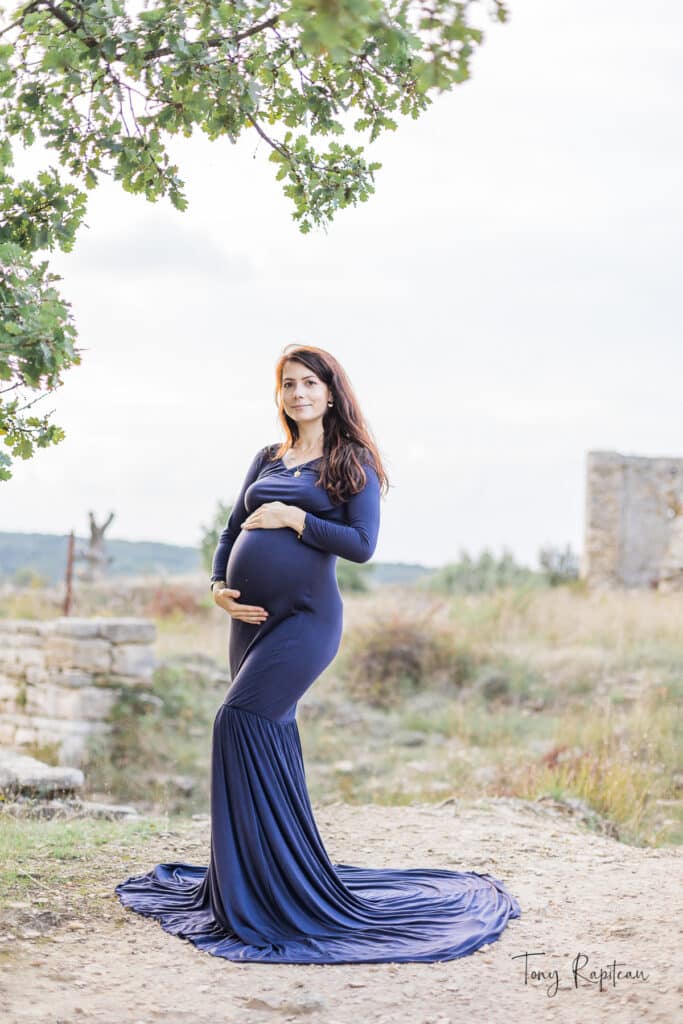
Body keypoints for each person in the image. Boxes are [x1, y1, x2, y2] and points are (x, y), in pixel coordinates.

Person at [115, 344, 521, 963]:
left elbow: (361, 544)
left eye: (310, 383)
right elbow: (230, 531)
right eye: (288, 384)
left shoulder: (350, 459)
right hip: (250, 621)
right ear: (279, 395)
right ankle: (258, 881)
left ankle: (279, 895)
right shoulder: (267, 456)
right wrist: (219, 587)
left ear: (331, 392)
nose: (299, 393)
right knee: (267, 736)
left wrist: (289, 517)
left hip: (308, 620)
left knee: (238, 720)